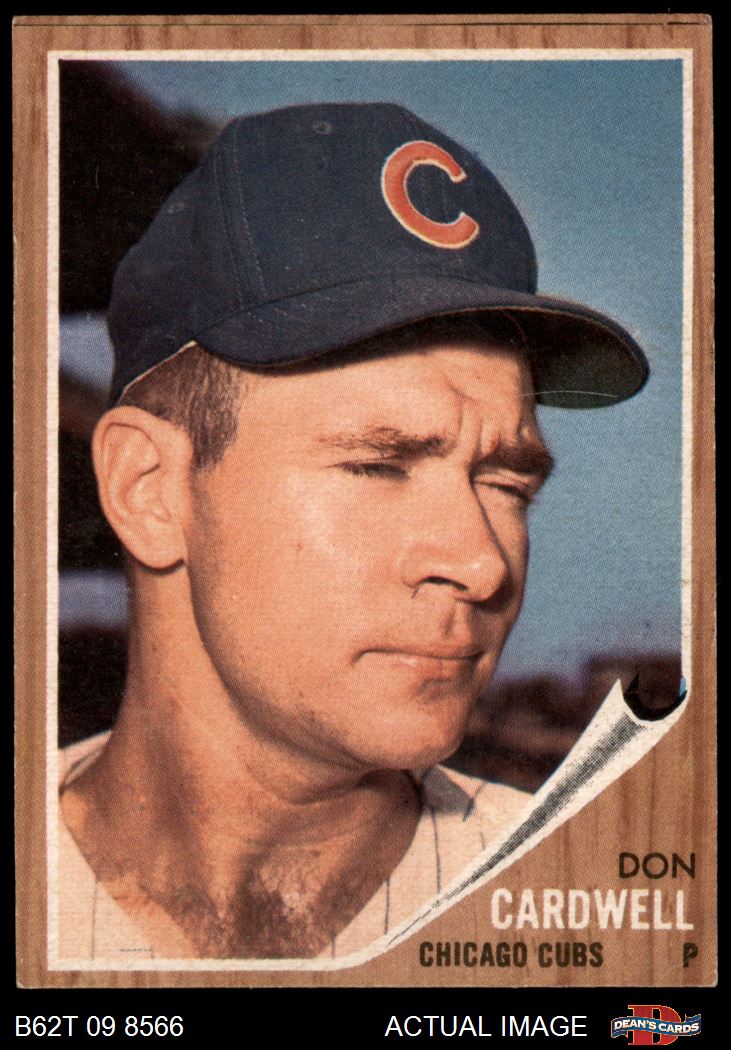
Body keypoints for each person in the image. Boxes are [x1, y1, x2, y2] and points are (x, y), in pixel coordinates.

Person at [57, 102, 648, 962]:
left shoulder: (590, 920)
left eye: (505, 483)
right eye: (378, 465)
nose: (481, 564)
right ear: (148, 489)